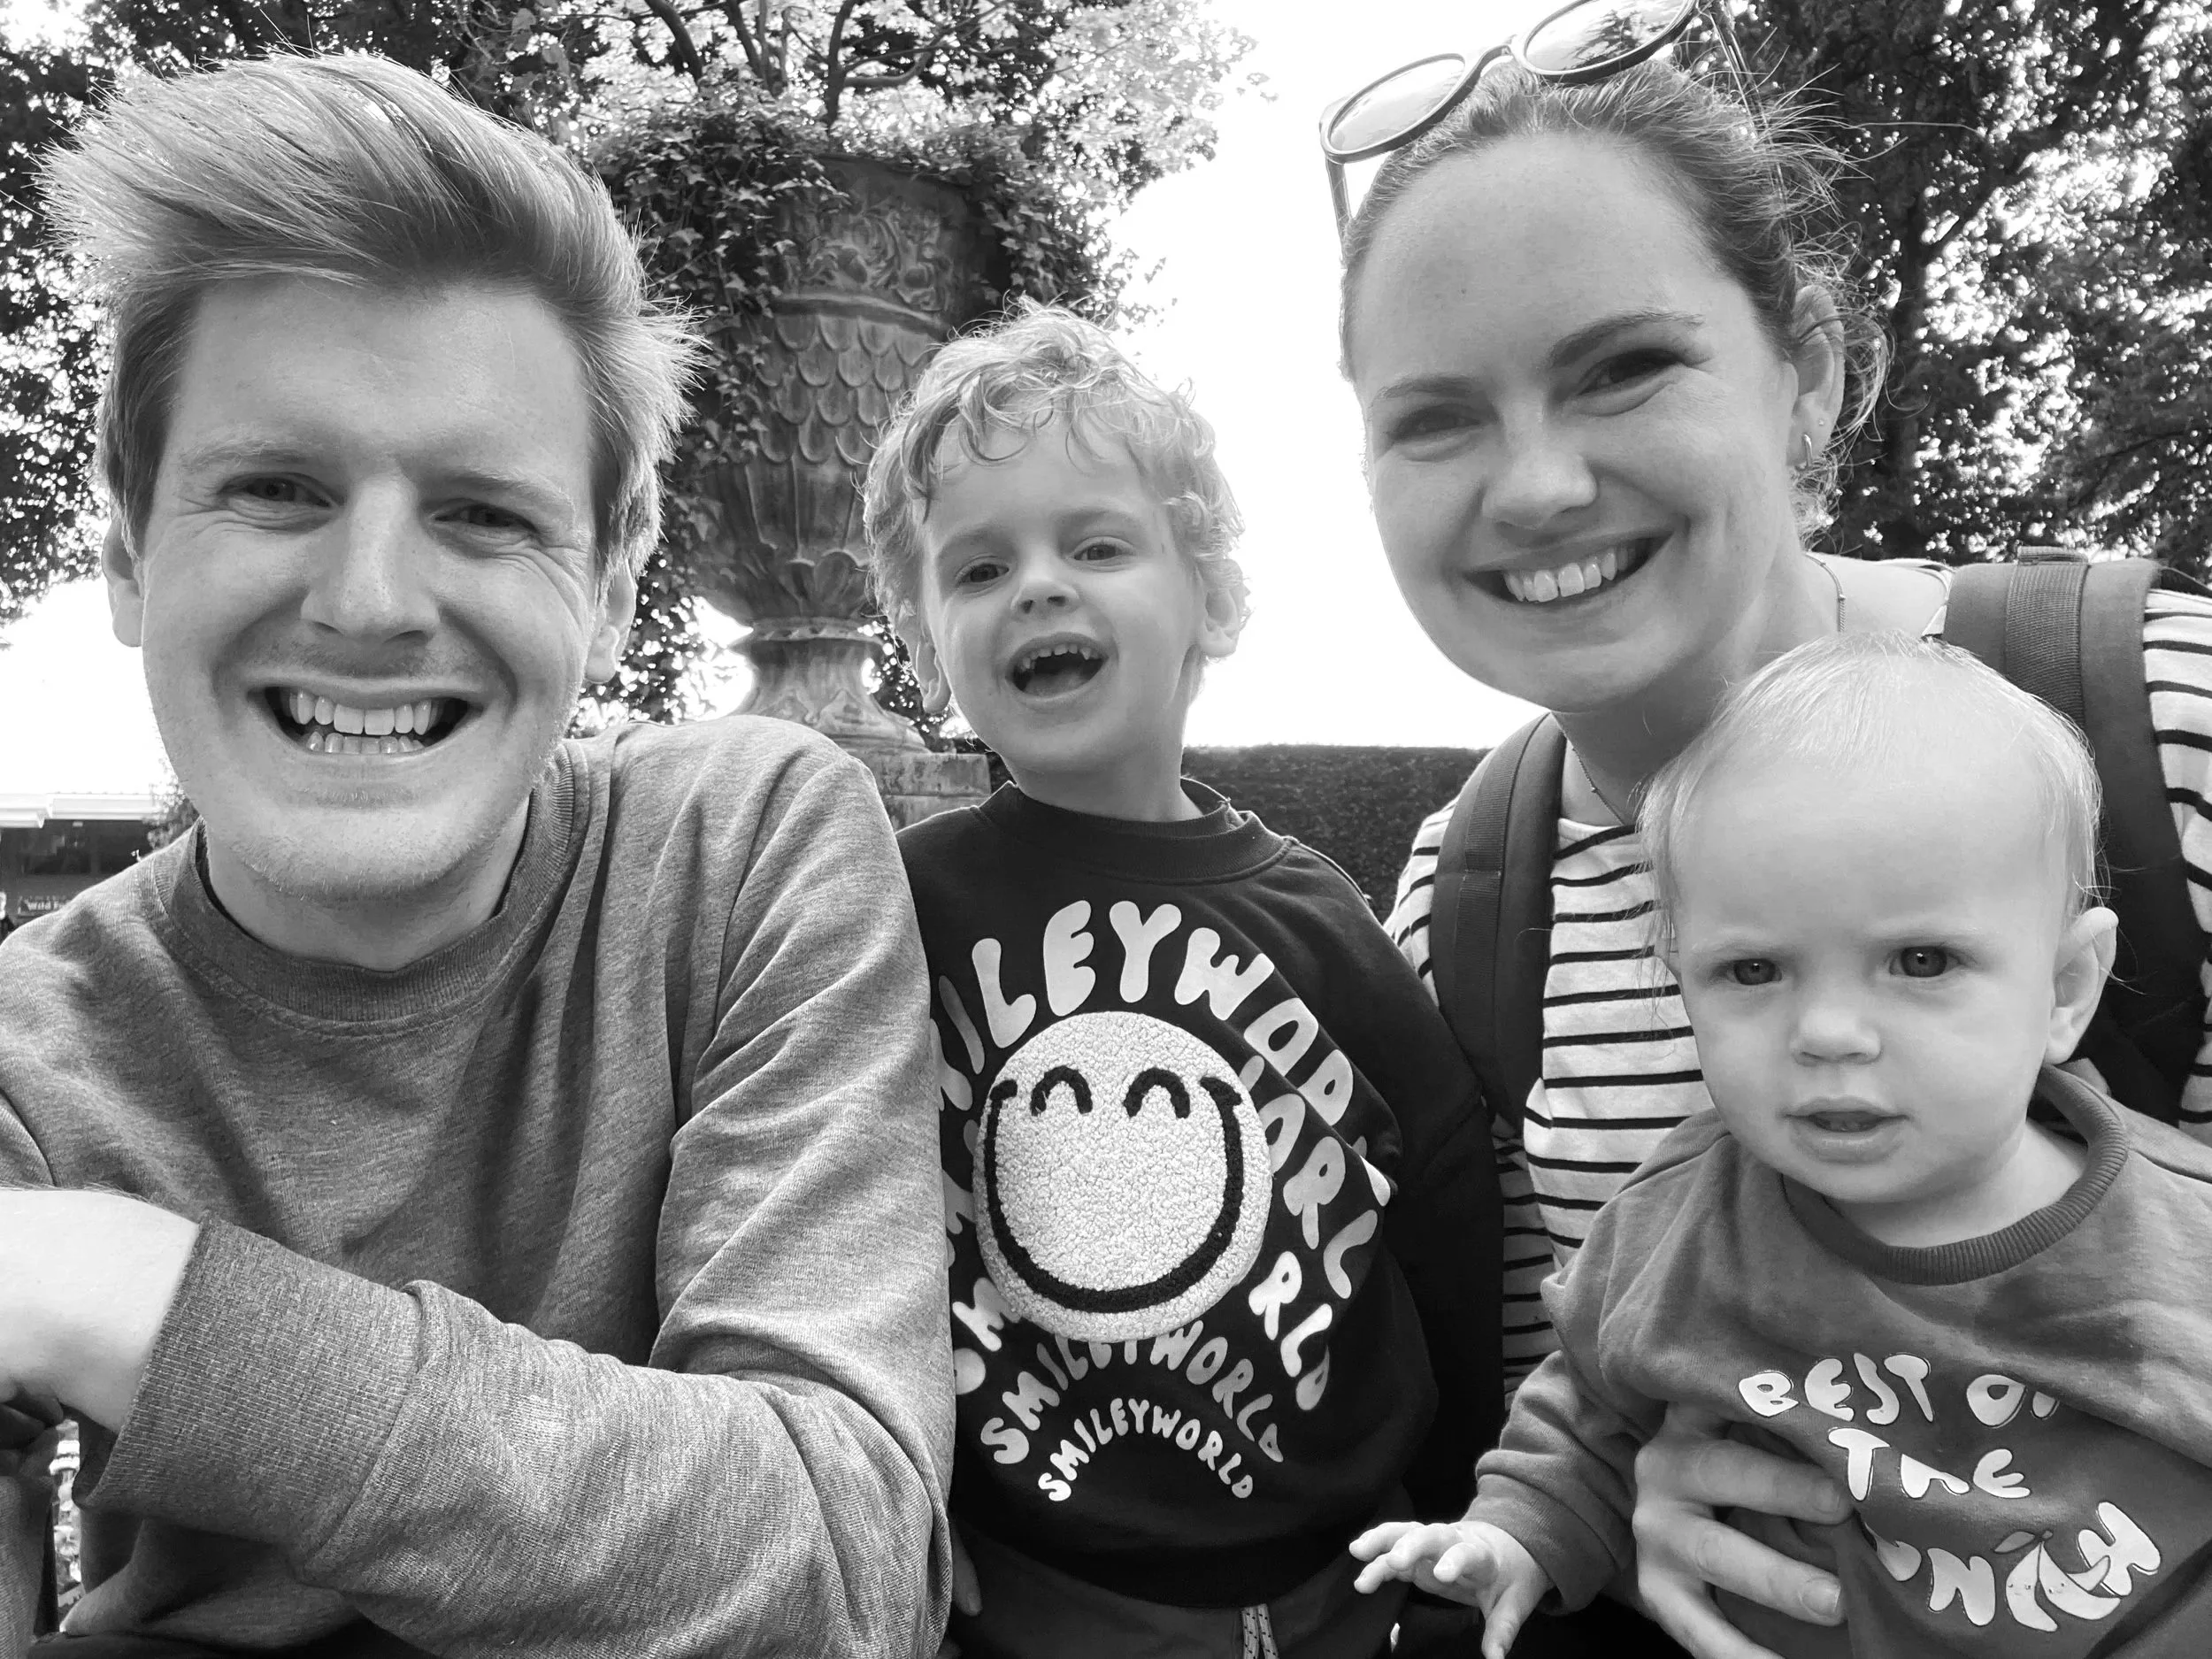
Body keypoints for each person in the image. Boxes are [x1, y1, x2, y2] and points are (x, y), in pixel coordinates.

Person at [0, 52, 951, 1657]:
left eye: (483, 514)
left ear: (614, 578)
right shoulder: (28, 1060)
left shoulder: (739, 853)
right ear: (125, 550)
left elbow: (844, 1565)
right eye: (278, 488)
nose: (370, 602)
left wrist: (136, 1299)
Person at [1329, 39, 2212, 1659]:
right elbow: (1596, 1392)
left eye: (1624, 369)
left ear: (1804, 365)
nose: (1536, 483)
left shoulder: (2164, 726)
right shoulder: (1468, 906)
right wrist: (1606, 1512)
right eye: (1437, 419)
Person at [1350, 633, 2212, 1656]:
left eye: (1920, 959)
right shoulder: (1678, 1219)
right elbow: (1586, 1421)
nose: (1828, 1033)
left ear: (2065, 988)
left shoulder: (2184, 1242)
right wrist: (1511, 1540)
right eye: (1753, 971)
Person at [862, 304, 1502, 1658]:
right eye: (977, 569)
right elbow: (829, 1223)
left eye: (1097, 544)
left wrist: (1471, 1488)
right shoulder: (894, 909)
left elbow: (1444, 1198)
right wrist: (893, 1498)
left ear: (1209, 595)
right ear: (926, 649)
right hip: (1035, 1589)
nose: (1038, 584)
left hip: (1350, 1583)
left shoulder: (1313, 911)